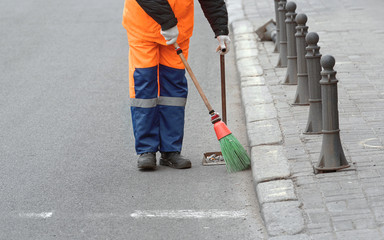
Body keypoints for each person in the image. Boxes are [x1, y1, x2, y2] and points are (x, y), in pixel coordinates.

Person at [122, 0, 231, 170]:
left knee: (173, 92)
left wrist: (221, 29)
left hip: (178, 31)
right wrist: (167, 22)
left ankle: (171, 150)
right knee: (144, 86)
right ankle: (146, 150)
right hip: (143, 27)